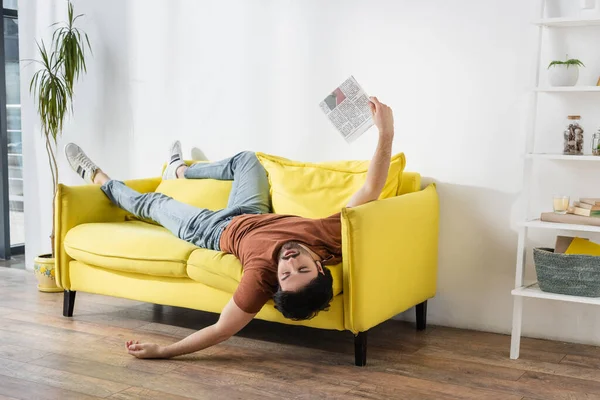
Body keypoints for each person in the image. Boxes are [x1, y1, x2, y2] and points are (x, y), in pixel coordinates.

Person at [64, 96, 394, 359]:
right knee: (247, 159)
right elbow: (370, 190)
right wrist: (386, 132)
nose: (290, 261)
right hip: (253, 209)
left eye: (286, 274)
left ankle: (98, 177)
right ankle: (179, 171)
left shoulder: (261, 277)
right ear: (320, 264)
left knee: (153, 205)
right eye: (302, 267)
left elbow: (222, 329)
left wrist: (163, 350)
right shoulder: (331, 237)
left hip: (214, 230)